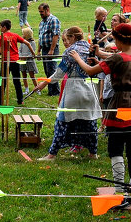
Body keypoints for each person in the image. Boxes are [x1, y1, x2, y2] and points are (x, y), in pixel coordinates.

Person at [78, 25, 131, 198]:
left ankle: (119, 187)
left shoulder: (117, 58)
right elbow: (115, 63)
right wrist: (100, 59)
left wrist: (78, 58)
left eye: (115, 38)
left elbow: (91, 71)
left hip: (121, 104)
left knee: (115, 145)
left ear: (120, 39)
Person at [38, 26, 99, 160]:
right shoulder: (91, 49)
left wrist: (44, 83)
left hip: (74, 90)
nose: (67, 41)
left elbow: (59, 74)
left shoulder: (70, 51)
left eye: (67, 38)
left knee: (62, 122)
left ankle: (52, 154)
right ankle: (93, 153)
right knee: (89, 123)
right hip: (89, 90)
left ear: (73, 37)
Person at [0, 20, 33, 102]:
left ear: (4, 27)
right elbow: (28, 43)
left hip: (5, 62)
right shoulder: (15, 35)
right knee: (17, 81)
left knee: (3, 81)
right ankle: (20, 100)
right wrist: (33, 53)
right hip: (15, 61)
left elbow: (0, 51)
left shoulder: (1, 37)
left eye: (0, 27)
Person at [36, 3, 62, 97]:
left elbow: (56, 35)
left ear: (47, 10)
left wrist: (52, 49)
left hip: (51, 48)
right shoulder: (42, 22)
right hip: (44, 48)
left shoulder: (53, 20)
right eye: (39, 12)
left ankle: (55, 91)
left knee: (52, 70)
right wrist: (38, 51)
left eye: (42, 12)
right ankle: (51, 90)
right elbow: (40, 37)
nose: (40, 14)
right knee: (47, 70)